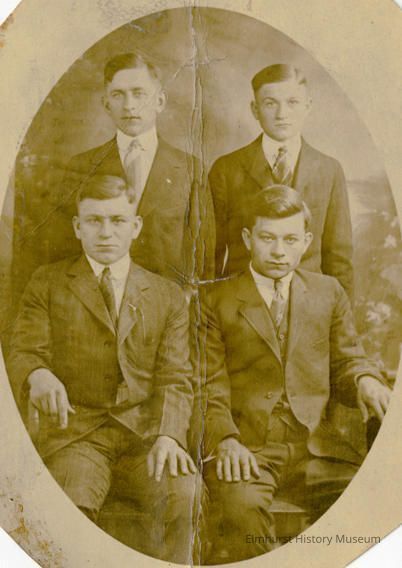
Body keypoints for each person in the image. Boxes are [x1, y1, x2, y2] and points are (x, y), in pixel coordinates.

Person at [6, 175, 200, 564]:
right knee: (68, 505)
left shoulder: (166, 295)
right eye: (94, 221)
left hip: (145, 436)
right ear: (77, 227)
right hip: (78, 434)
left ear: (136, 226)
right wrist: (37, 373)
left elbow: (176, 376)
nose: (106, 232)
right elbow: (23, 350)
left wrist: (169, 434)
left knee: (186, 496)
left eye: (117, 220)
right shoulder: (48, 282)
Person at [200, 186, 391, 563]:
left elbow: (346, 361)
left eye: (289, 240)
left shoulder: (327, 292)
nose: (278, 251)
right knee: (241, 510)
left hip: (318, 449)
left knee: (372, 503)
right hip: (249, 450)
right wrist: (225, 439)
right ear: (248, 239)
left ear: (305, 242)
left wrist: (364, 380)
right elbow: (208, 384)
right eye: (267, 238)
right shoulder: (216, 300)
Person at [42, 51, 214, 289]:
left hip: (167, 301)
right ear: (106, 104)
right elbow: (64, 247)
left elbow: (204, 254)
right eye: (118, 95)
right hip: (100, 298)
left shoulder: (189, 168)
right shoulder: (81, 166)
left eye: (139, 93)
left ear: (160, 102)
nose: (129, 105)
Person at [209, 64, 353, 299]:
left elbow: (339, 257)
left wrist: (340, 316)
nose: (282, 114)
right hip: (242, 304)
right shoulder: (226, 169)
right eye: (270, 103)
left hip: (309, 303)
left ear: (308, 106)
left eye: (292, 102)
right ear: (255, 109)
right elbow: (211, 253)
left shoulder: (329, 170)